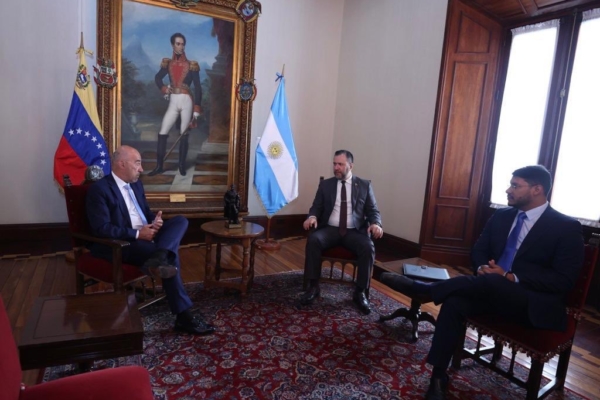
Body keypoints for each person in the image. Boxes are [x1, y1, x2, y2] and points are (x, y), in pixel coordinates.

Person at [379, 165, 584, 399]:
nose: (508, 190)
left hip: (531, 302)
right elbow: (478, 250)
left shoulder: (565, 227)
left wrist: (509, 277)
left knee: (495, 281)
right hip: (490, 292)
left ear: (537, 189)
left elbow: (564, 279)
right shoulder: (502, 216)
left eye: (515, 186)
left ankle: (426, 290)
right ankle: (438, 377)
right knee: (454, 302)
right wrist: (481, 268)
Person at [86, 145, 215, 336]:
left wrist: (155, 222)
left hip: (148, 235)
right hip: (124, 244)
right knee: (170, 258)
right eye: (137, 163)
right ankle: (183, 315)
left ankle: (160, 255)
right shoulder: (100, 190)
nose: (141, 169)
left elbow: (145, 213)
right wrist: (138, 234)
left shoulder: (137, 185)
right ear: (122, 164)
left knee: (180, 221)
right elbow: (101, 228)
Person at [301, 150, 383, 315]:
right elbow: (316, 206)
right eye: (334, 164)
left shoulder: (364, 185)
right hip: (330, 229)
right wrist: (312, 217)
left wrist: (376, 224)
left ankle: (360, 292)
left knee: (368, 247)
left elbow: (373, 210)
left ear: (350, 166)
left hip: (354, 231)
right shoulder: (326, 185)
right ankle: (313, 286)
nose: (336, 167)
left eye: (340, 164)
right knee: (314, 240)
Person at [149, 32, 202, 177]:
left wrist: (197, 108)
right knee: (162, 132)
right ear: (173, 45)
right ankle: (159, 166)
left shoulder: (192, 65)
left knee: (184, 133)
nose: (181, 46)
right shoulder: (168, 63)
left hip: (186, 102)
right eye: (178, 44)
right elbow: (158, 78)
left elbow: (198, 87)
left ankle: (181, 166)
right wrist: (164, 88)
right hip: (173, 101)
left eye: (183, 44)